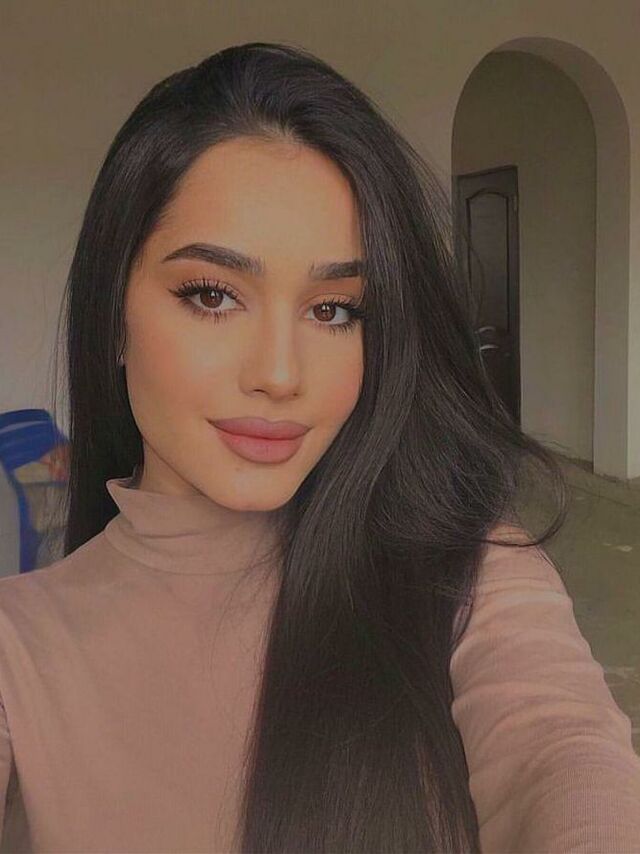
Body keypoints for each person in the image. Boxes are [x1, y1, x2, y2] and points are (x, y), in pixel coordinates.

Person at [0, 41, 639, 854]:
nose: (279, 373)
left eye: (334, 310)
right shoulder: (18, 648)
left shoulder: (467, 571)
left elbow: (562, 747)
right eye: (212, 295)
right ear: (114, 316)